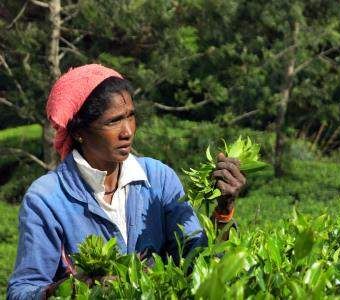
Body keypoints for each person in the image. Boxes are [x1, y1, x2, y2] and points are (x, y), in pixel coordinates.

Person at [7, 64, 246, 299]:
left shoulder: (158, 178)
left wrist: (223, 210)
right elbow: (22, 291)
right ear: (80, 131)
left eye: (131, 116)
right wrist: (72, 288)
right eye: (113, 121)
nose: (128, 131)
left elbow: (199, 261)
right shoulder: (47, 199)